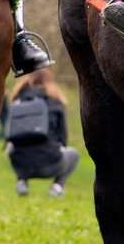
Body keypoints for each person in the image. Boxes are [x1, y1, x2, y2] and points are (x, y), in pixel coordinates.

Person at [5, 69, 81, 198]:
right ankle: (57, 187)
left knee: (13, 146)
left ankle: (22, 182)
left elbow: (10, 135)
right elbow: (63, 136)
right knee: (74, 154)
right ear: (49, 81)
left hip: (21, 164)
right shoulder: (56, 102)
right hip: (51, 163)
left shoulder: (17, 100)